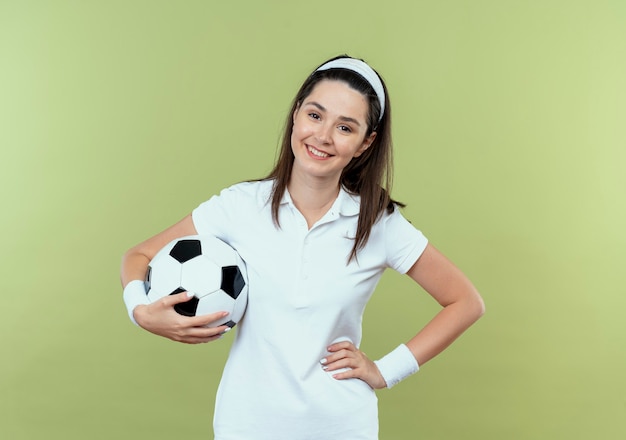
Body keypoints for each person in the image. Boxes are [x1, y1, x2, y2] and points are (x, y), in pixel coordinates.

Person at [121, 55, 485, 439]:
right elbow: (138, 256)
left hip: (343, 426)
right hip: (246, 424)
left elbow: (466, 302)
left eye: (345, 127)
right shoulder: (240, 205)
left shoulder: (377, 223)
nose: (323, 136)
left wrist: (385, 370)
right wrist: (140, 312)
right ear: (296, 115)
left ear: (366, 142)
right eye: (315, 115)